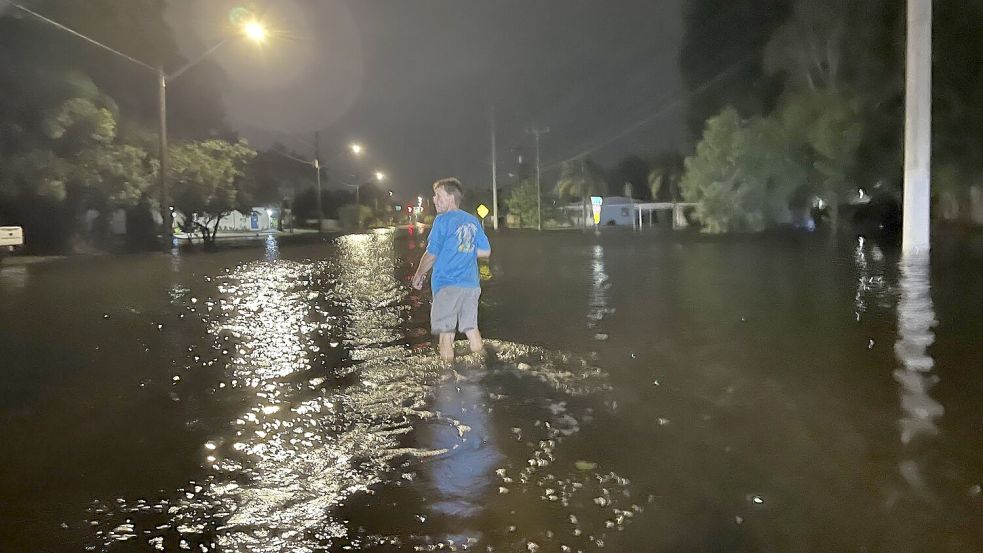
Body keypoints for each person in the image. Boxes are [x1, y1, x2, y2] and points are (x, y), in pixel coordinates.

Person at [412, 177, 491, 363]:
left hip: (447, 285)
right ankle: (484, 367)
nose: (434, 199)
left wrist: (419, 274)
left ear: (450, 198)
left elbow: (431, 254)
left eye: (438, 195)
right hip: (471, 285)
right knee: (472, 329)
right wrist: (463, 251)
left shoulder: (442, 220)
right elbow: (485, 251)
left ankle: (447, 379)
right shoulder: (472, 221)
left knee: (446, 335)